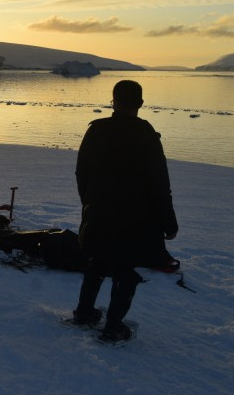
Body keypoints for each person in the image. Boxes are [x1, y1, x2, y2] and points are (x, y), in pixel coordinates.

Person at [72, 80, 179, 342]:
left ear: (113, 101)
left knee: (97, 261)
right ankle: (113, 327)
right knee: (125, 270)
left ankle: (84, 312)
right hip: (135, 219)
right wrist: (168, 222)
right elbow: (159, 183)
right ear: (140, 103)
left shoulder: (96, 130)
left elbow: (81, 172)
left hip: (98, 212)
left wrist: (89, 202)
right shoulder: (146, 135)